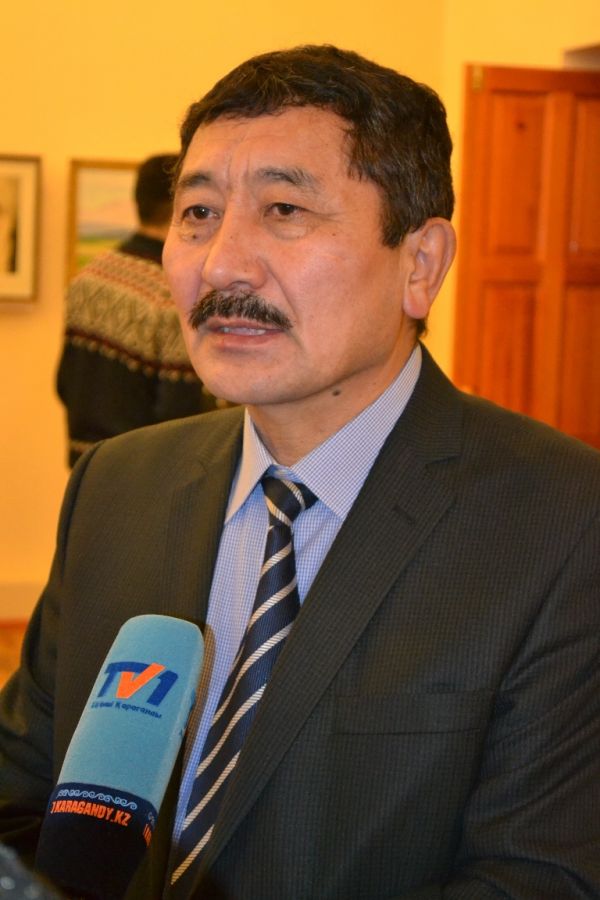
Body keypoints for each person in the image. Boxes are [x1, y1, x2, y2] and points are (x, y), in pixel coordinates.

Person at [1, 44, 599, 900]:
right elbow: (22, 790)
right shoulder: (117, 485)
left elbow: (538, 878)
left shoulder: (563, 521)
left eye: (283, 210)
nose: (221, 264)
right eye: (199, 213)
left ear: (421, 264)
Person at [56, 154, 222, 467]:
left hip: (85, 462)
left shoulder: (88, 277)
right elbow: (180, 410)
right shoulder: (173, 292)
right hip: (145, 470)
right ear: (180, 204)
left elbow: (65, 382)